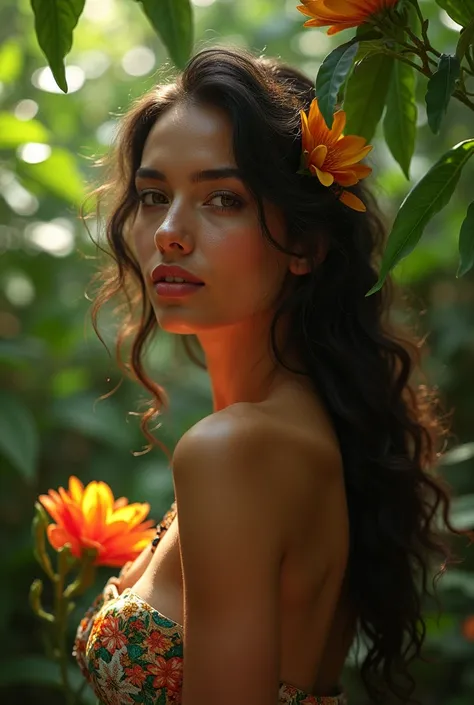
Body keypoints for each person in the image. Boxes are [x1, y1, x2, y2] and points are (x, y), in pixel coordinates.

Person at [73, 46, 460, 705]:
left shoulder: (236, 449)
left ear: (306, 243)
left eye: (222, 198)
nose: (169, 231)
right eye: (153, 195)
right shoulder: (300, 425)